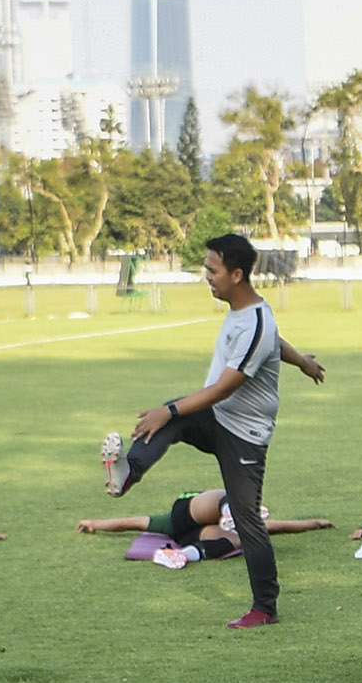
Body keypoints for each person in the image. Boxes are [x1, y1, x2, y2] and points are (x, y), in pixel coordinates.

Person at [102, 233, 325, 631]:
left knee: (246, 520)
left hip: (244, 435)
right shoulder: (249, 315)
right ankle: (128, 472)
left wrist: (166, 410)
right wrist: (303, 361)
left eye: (212, 269)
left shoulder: (256, 321)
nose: (206, 276)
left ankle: (265, 607)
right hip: (218, 417)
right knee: (171, 417)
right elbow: (277, 342)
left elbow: (224, 386)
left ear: (237, 274)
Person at [78, 493, 339, 560]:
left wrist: (96, 524)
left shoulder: (166, 524)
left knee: (238, 535)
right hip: (191, 521)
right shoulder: (253, 525)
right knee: (240, 535)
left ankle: (185, 554)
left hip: (188, 530)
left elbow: (134, 522)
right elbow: (282, 527)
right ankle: (230, 511)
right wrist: (315, 523)